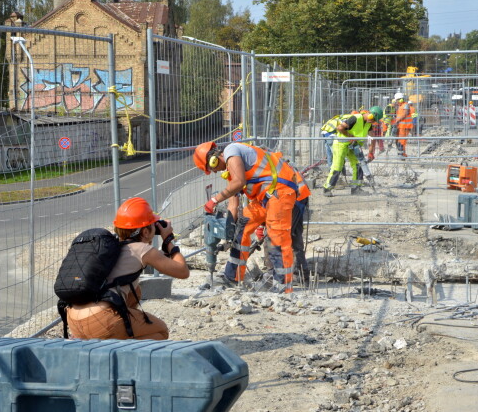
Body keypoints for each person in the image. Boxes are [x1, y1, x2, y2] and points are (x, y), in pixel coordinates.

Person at [66, 197, 189, 340]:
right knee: (161, 331)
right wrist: (168, 239)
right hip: (102, 322)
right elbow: (182, 271)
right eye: (153, 225)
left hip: (74, 322)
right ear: (145, 232)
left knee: (135, 290)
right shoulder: (143, 250)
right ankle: (120, 353)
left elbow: (164, 260)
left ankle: (109, 343)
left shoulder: (109, 249)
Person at [193, 141, 309, 293]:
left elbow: (239, 182)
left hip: (281, 192)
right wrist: (229, 232)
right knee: (243, 225)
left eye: (211, 168)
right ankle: (232, 277)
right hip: (266, 197)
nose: (214, 172)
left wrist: (214, 201)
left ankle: (282, 286)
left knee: (277, 239)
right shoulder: (232, 171)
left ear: (213, 159)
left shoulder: (231, 151)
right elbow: (233, 205)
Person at [322, 106, 382, 195]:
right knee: (337, 166)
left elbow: (371, 137)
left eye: (374, 120)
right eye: (373, 118)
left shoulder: (368, 124)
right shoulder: (355, 118)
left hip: (354, 145)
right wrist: (350, 136)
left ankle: (356, 188)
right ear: (370, 114)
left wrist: (371, 152)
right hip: (341, 144)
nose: (373, 121)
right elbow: (340, 128)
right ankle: (327, 188)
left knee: (358, 165)